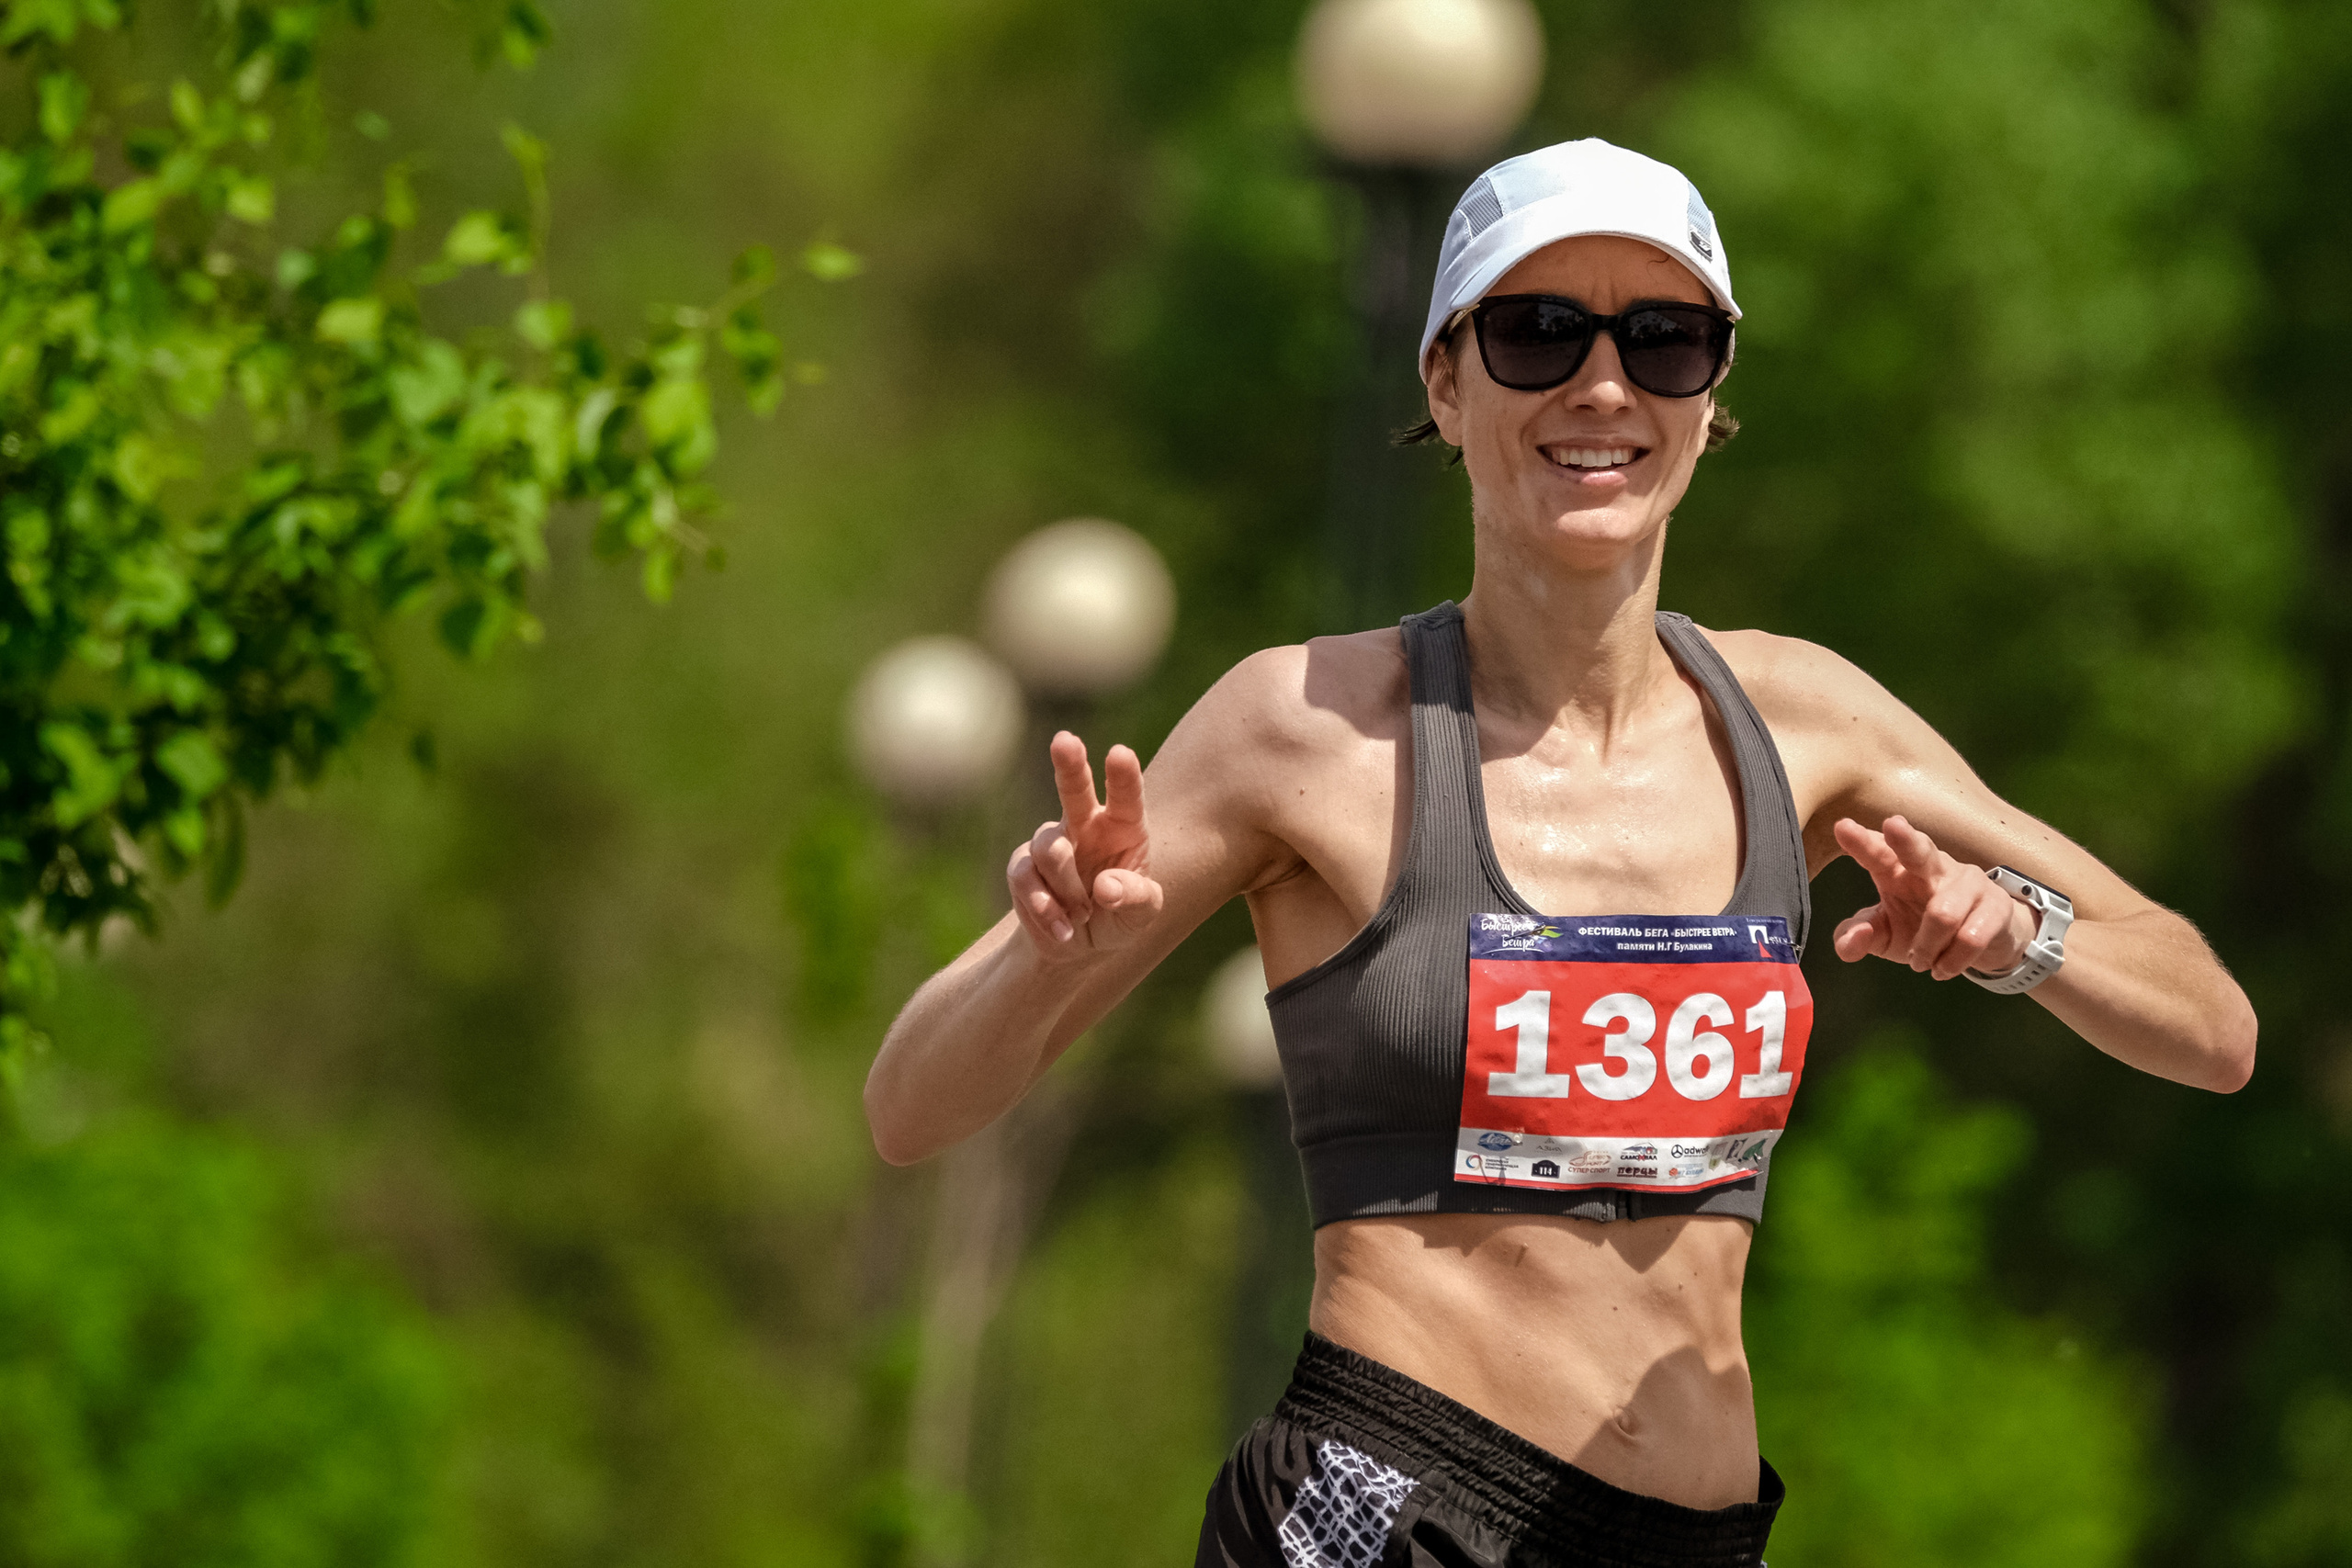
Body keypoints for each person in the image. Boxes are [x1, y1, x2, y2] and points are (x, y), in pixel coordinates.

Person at [864, 139, 2256, 1567]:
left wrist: (2017, 935)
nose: (1605, 387)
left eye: (1666, 341)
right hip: (1387, 1500)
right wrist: (1051, 955)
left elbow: (2210, 1027)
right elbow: (911, 1108)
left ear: (1712, 402)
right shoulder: (1303, 725)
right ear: (1445, 383)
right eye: (1538, 335)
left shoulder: (1807, 720)